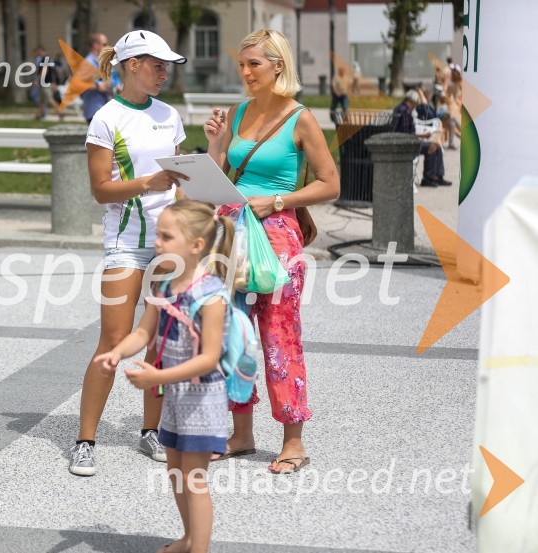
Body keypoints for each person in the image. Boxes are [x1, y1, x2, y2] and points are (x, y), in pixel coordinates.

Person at [203, 29, 339, 474]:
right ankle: (241, 434)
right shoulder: (238, 111)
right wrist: (215, 145)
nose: (245, 73)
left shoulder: (300, 118)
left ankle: (293, 441)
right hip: (231, 232)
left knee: (279, 335)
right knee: (233, 334)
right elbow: (218, 174)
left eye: (254, 65)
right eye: (241, 64)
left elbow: (330, 183)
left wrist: (278, 201)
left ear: (278, 66)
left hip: (277, 235)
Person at [70, 30, 189, 476]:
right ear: (133, 65)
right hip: (125, 243)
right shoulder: (105, 118)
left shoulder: (169, 114)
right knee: (113, 342)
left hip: (168, 243)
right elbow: (100, 191)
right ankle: (85, 440)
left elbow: (180, 177)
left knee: (159, 340)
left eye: (166, 66)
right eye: (157, 65)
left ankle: (150, 431)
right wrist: (146, 184)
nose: (164, 72)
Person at [95, 200, 234, 553]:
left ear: (196, 246)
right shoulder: (163, 287)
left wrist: (159, 376)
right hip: (174, 396)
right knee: (175, 471)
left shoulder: (211, 294)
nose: (157, 242)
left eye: (166, 236)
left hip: (203, 400)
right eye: (158, 234)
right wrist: (116, 351)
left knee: (194, 479)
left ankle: (198, 548)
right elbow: (144, 333)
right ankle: (187, 537)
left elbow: (209, 358)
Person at [393, 89, 451, 187]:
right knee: (433, 147)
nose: (415, 107)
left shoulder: (401, 108)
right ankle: (429, 178)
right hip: (407, 144)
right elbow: (406, 133)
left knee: (436, 146)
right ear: (411, 101)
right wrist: (423, 135)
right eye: (415, 104)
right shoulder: (405, 111)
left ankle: (436, 176)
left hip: (407, 141)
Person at [80, 33, 121, 123]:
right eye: (104, 44)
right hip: (95, 110)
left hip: (108, 109)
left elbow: (114, 78)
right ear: (95, 45)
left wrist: (117, 86)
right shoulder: (87, 63)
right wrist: (98, 86)